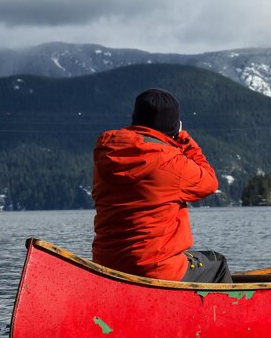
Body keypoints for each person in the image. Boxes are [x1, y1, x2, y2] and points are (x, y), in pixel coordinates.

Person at [92, 88, 232, 283]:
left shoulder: (105, 154)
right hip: (156, 269)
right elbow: (209, 182)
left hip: (105, 266)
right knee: (217, 263)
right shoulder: (172, 163)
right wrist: (184, 139)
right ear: (173, 126)